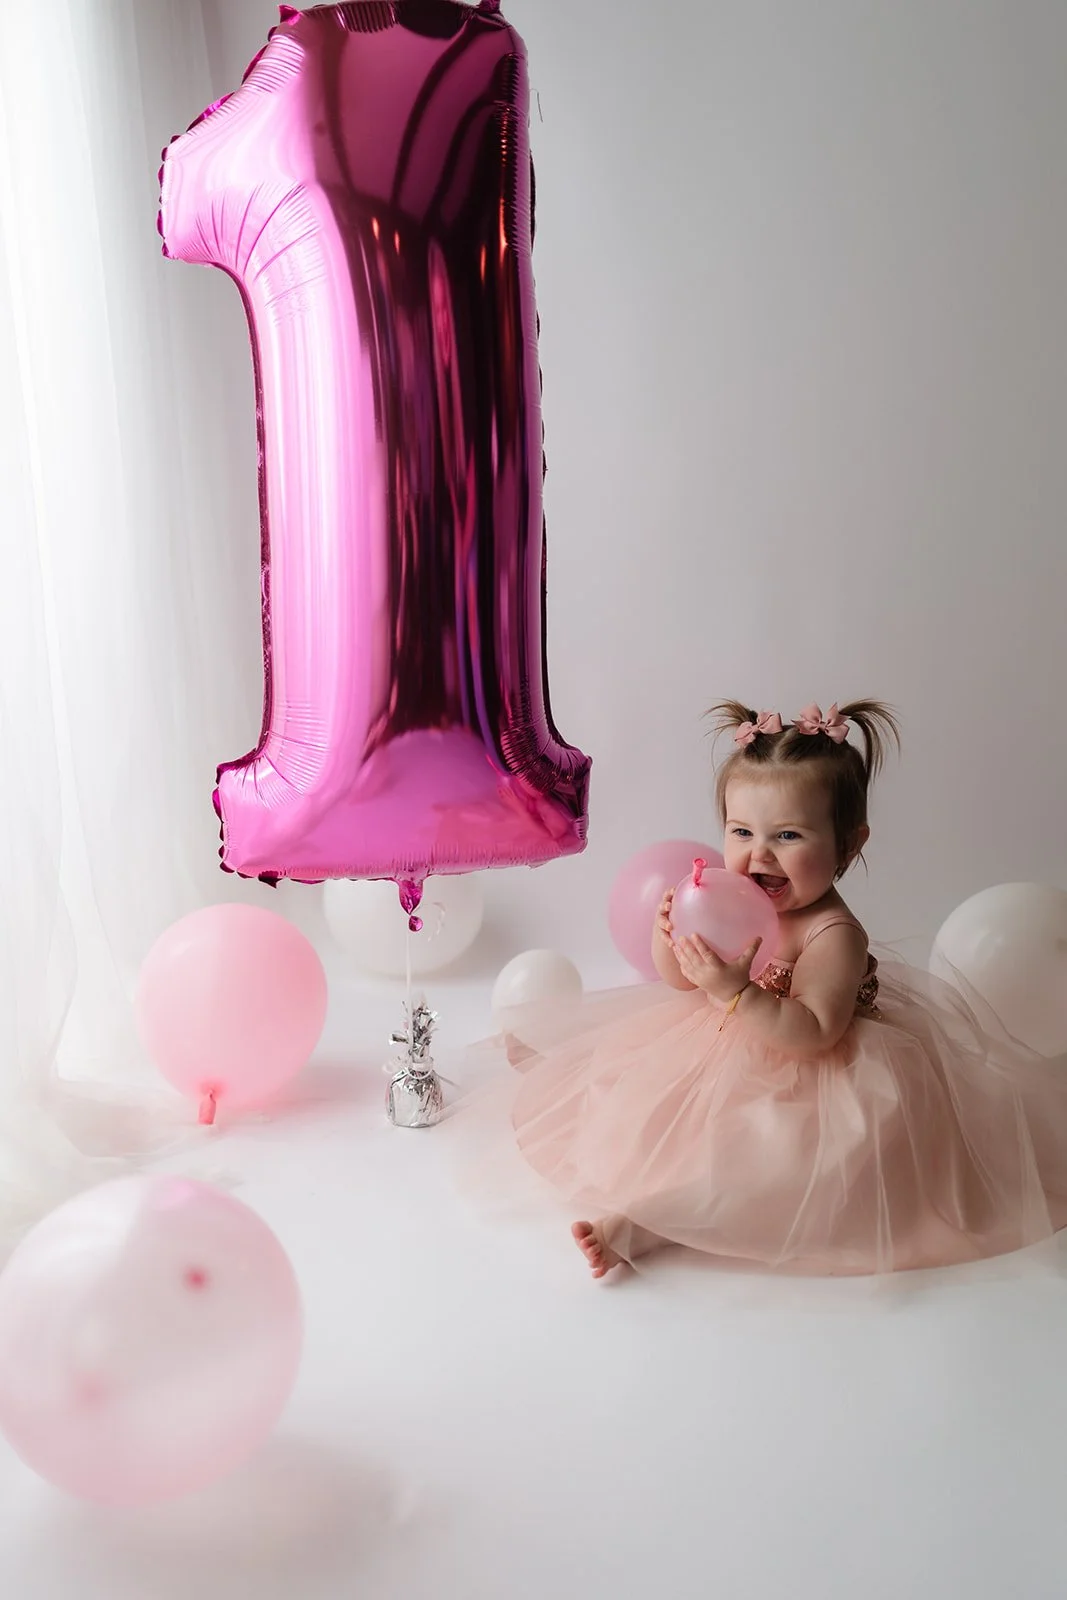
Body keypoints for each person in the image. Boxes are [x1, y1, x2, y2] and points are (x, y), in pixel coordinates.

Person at [504, 700, 1067, 1278]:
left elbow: (815, 1033)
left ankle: (650, 1222)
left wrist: (738, 993)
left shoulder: (832, 934)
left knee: (770, 1161)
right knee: (639, 1108)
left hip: (823, 1072)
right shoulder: (728, 894)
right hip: (724, 1044)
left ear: (849, 844)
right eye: (742, 831)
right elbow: (676, 980)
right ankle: (625, 1155)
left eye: (789, 834)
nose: (760, 854)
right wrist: (669, 938)